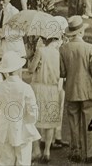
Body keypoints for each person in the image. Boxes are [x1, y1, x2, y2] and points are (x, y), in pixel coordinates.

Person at [59, 16, 92, 163]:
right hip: (88, 91)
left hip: (71, 90)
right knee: (91, 122)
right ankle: (89, 153)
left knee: (73, 122)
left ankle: (76, 150)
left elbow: (62, 73)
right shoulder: (90, 48)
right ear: (81, 32)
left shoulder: (63, 49)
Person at [0, 51, 41, 166]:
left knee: (5, 161)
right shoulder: (25, 88)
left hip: (5, 128)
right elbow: (32, 111)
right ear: (18, 69)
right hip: (22, 128)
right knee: (23, 161)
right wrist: (28, 121)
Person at [28, 32, 62, 163]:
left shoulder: (40, 51)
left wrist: (31, 58)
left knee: (36, 119)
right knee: (50, 119)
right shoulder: (57, 53)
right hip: (53, 88)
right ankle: (47, 151)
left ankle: (36, 149)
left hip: (39, 87)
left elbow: (31, 69)